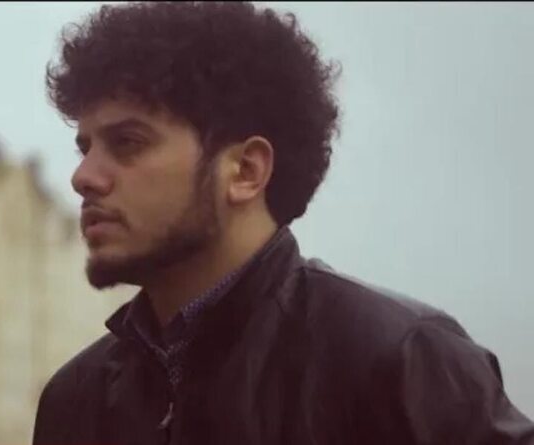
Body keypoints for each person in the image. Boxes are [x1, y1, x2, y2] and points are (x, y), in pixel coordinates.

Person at [32, 2, 534, 444]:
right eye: (85, 148)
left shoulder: (401, 361)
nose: (83, 177)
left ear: (245, 172)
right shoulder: (74, 399)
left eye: (127, 143)